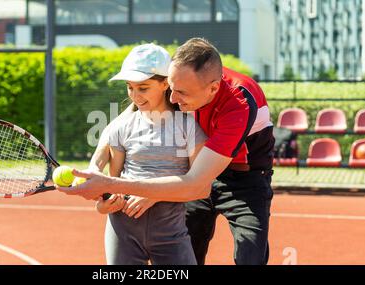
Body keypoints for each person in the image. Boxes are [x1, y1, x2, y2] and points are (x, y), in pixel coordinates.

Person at [59, 38, 275, 265]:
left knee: (250, 257)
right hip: (194, 168)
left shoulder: (238, 104)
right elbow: (120, 122)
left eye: (180, 93)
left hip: (243, 179)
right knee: (189, 253)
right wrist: (96, 164)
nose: (172, 99)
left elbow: (196, 184)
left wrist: (120, 186)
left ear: (212, 88)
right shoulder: (182, 74)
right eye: (171, 88)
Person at [89, 43, 207, 265]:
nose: (135, 96)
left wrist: (154, 193)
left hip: (170, 236)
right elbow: (113, 183)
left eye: (143, 88)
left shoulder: (188, 127)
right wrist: (103, 204)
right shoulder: (121, 127)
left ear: (165, 84)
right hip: (122, 233)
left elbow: (200, 188)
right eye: (129, 87)